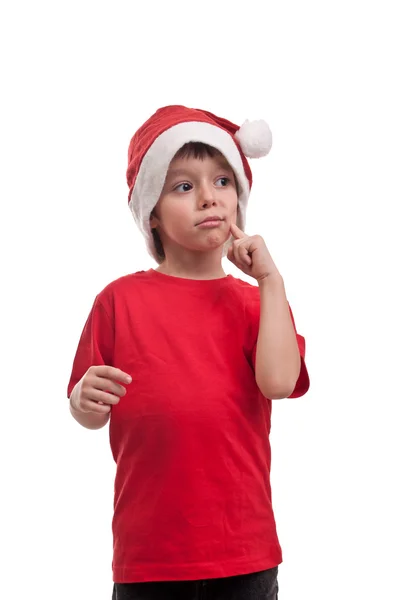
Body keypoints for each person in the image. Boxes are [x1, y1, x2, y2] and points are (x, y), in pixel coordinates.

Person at [67, 105, 310, 600]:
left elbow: (280, 383)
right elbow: (89, 411)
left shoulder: (255, 301)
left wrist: (271, 280)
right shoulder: (117, 300)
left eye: (223, 181)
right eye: (183, 186)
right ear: (151, 213)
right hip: (149, 556)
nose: (208, 198)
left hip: (243, 550)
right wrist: (81, 402)